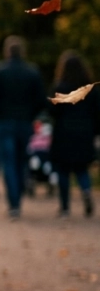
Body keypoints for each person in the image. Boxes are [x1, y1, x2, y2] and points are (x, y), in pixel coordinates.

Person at [0, 35, 46, 219]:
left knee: (9, 162)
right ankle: (17, 197)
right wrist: (30, 116)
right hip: (24, 123)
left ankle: (14, 203)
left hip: (4, 123)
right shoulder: (32, 73)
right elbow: (40, 101)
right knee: (22, 161)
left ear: (6, 52)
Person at [48, 51, 99, 217]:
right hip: (85, 133)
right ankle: (85, 191)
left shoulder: (59, 88)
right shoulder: (90, 89)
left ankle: (65, 207)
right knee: (82, 169)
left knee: (63, 170)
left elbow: (52, 111)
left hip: (64, 133)